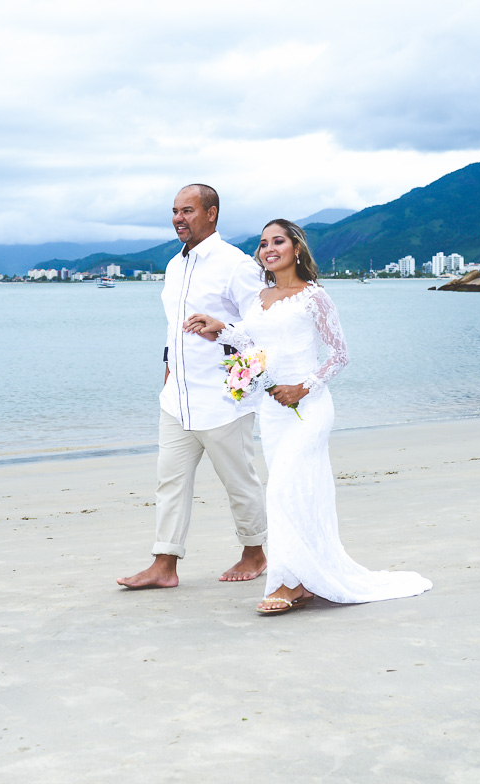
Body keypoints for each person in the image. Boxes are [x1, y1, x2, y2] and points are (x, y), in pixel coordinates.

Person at [184, 220, 432, 613]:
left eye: (277, 241)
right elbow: (252, 343)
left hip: (309, 409)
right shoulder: (259, 298)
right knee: (299, 491)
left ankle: (289, 582)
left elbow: (340, 355)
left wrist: (305, 386)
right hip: (273, 411)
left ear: (296, 248)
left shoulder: (315, 297)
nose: (268, 248)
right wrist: (219, 329)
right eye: (263, 243)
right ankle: (302, 578)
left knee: (281, 490)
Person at [117, 185, 268, 589]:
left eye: (187, 210)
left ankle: (255, 552)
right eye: (174, 211)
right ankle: (164, 564)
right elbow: (174, 325)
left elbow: (264, 329)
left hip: (223, 399)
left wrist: (222, 334)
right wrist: (168, 364)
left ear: (212, 213)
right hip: (177, 399)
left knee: (240, 482)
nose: (178, 218)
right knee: (170, 482)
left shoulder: (236, 265)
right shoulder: (173, 265)